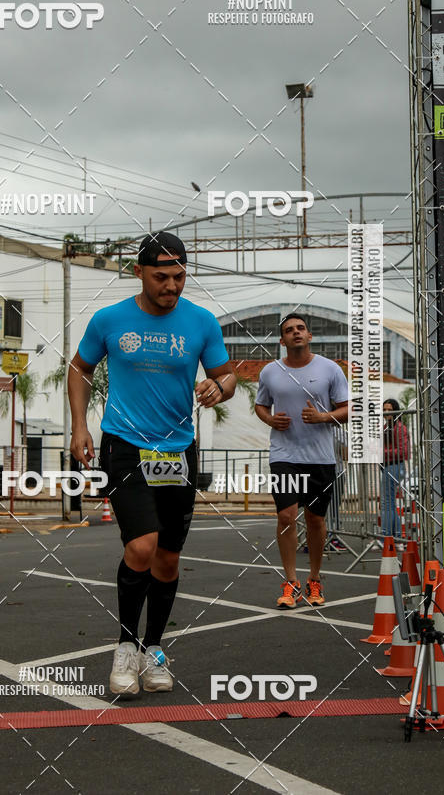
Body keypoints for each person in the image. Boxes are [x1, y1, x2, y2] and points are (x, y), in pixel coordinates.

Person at [69, 231, 236, 695]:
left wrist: (217, 388)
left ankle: (154, 651)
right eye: (162, 276)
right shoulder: (109, 319)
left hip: (177, 450)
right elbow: (79, 367)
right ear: (138, 272)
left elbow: (226, 377)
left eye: (180, 276)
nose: (172, 285)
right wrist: (80, 426)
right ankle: (125, 648)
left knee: (167, 558)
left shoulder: (201, 322)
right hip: (124, 444)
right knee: (141, 546)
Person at [255, 313, 349, 608]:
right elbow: (260, 405)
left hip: (320, 457)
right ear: (282, 341)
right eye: (289, 330)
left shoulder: (330, 369)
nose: (295, 333)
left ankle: (315, 579)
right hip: (284, 455)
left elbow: (347, 409)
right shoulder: (270, 371)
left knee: (315, 519)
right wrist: (271, 419)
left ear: (309, 336)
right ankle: (290, 581)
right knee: (286, 516)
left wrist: (323, 417)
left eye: (300, 328)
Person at [380, 398, 410, 542]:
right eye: (384, 409)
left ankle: (386, 537)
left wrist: (381, 452)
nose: (387, 412)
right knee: (389, 503)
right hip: (389, 466)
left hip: (395, 466)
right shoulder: (387, 428)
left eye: (390, 410)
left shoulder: (399, 428)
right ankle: (395, 536)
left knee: (387, 503)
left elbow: (404, 451)